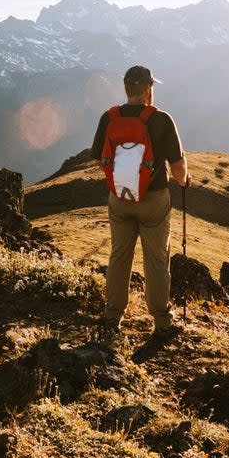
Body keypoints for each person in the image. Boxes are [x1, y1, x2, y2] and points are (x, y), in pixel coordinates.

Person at [90, 65, 190, 338]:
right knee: (156, 259)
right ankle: (162, 323)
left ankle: (112, 318)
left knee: (119, 256)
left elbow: (99, 157)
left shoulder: (109, 117)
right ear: (148, 89)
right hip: (153, 199)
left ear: (126, 88)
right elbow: (178, 165)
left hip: (119, 198)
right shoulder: (161, 119)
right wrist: (183, 181)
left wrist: (120, 179)